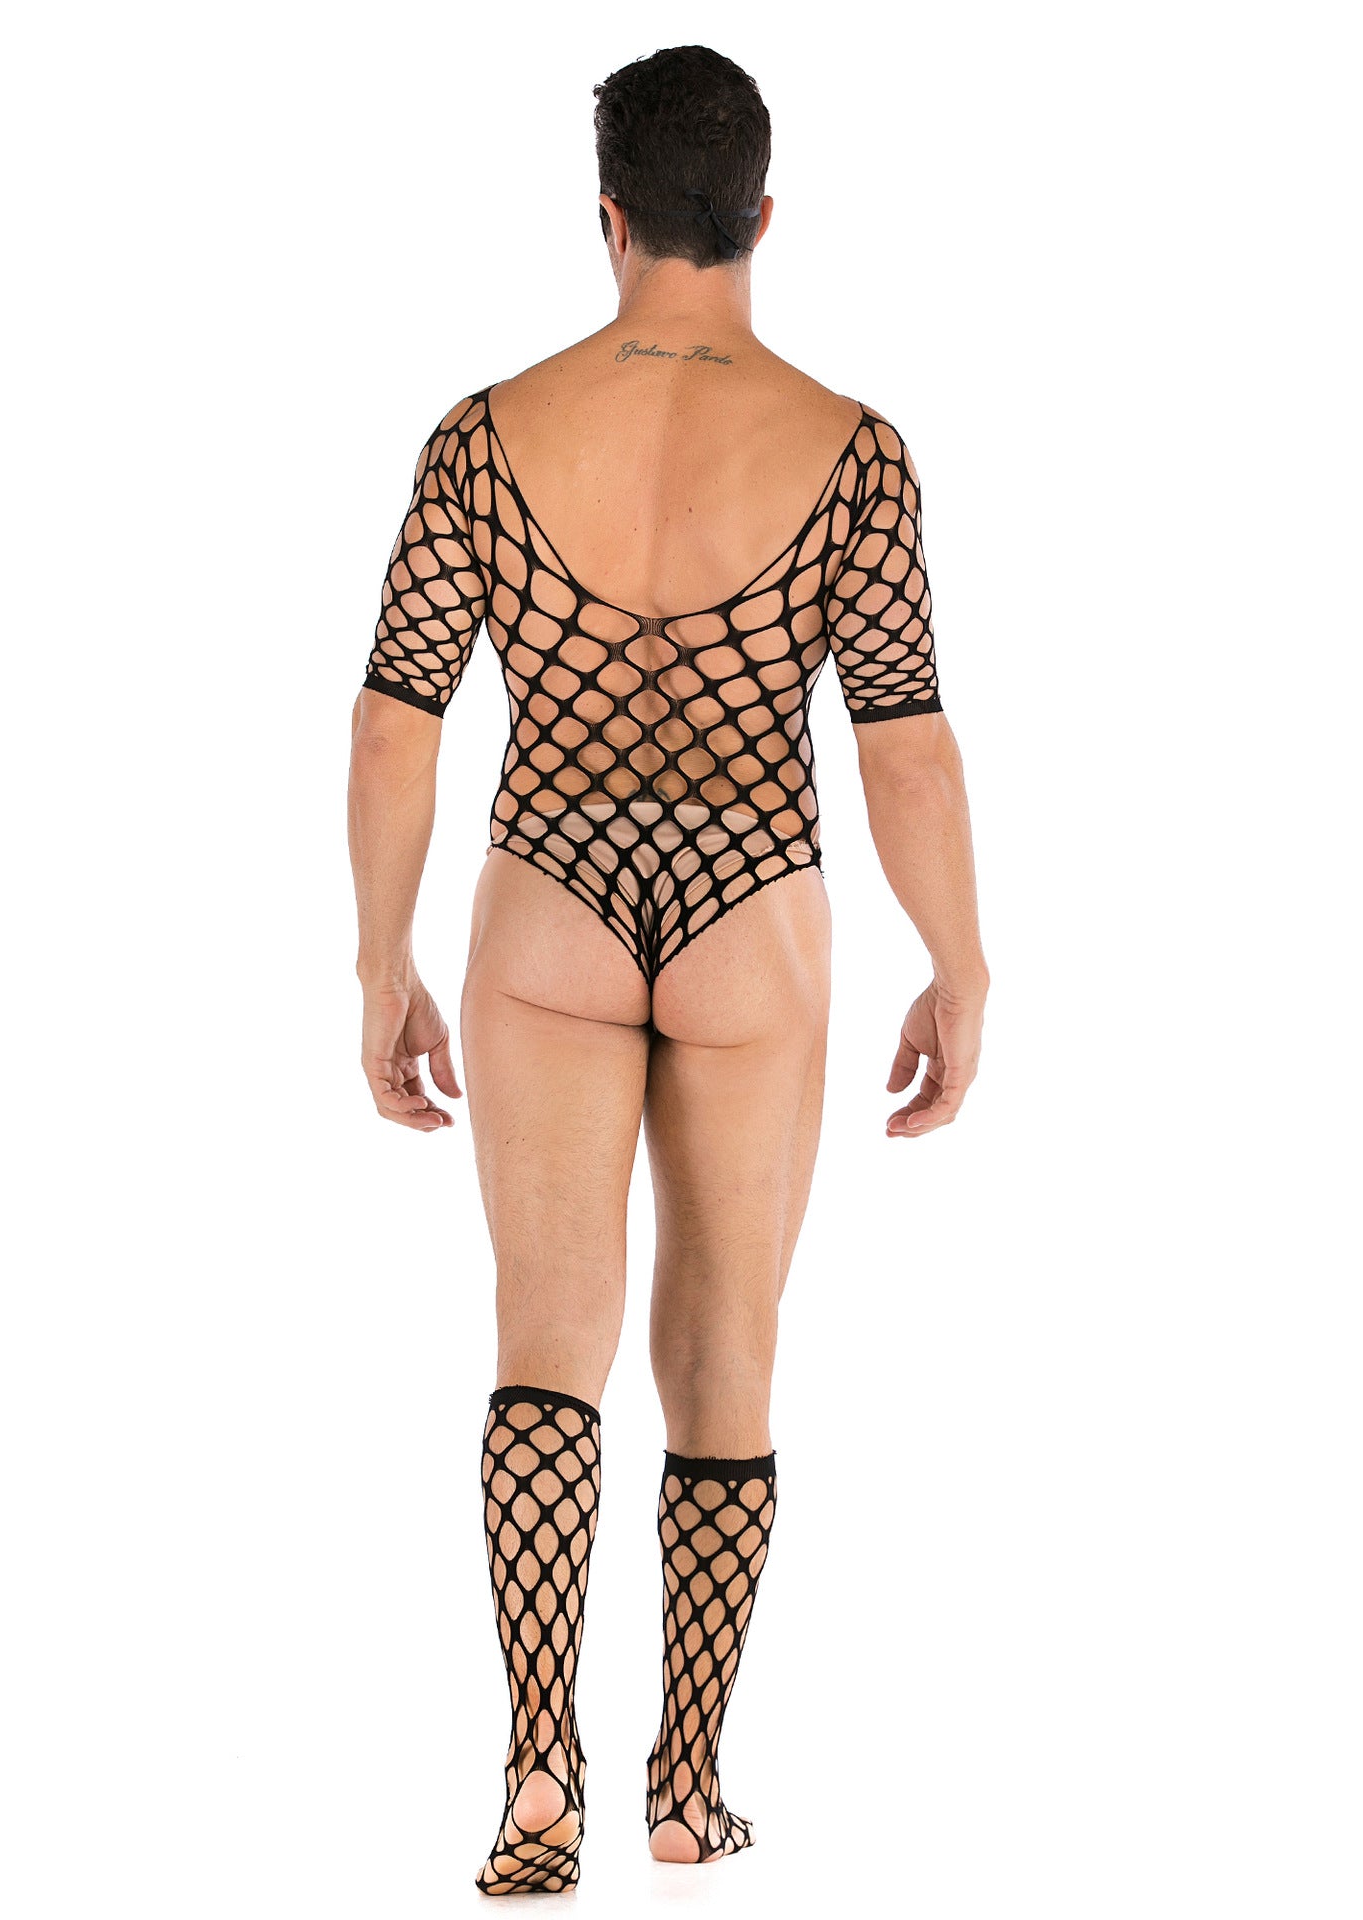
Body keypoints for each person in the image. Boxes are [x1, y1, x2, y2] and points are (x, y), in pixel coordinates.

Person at [347, 44, 988, 1895]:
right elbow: (905, 748)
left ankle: (534, 1778)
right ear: (763, 216)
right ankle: (686, 1789)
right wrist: (961, 965)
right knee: (725, 1359)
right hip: (749, 904)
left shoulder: (484, 436)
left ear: (607, 216)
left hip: (548, 891)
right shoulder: (855, 453)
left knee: (545, 1345)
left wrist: (382, 961)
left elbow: (396, 722)